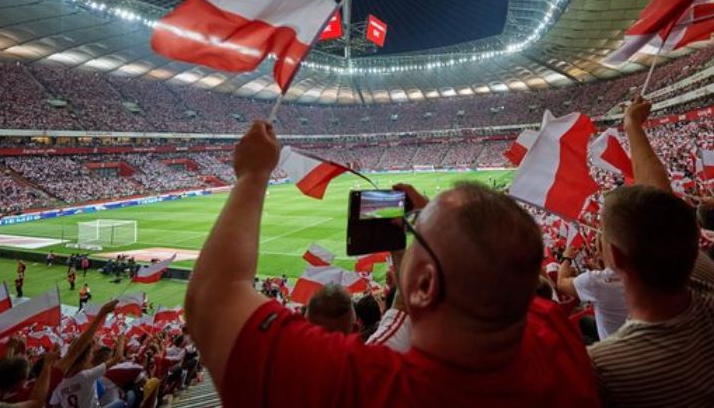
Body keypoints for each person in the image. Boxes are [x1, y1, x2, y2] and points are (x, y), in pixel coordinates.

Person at [186, 121, 600, 406]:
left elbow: (212, 299)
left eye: (417, 234)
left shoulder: (370, 388)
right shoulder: (553, 335)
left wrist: (252, 175)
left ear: (425, 287)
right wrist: (437, 219)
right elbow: (496, 259)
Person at [586, 96, 714, 407]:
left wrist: (633, 126)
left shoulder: (605, 366)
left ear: (615, 257)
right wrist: (633, 128)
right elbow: (660, 205)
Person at [555, 233, 627, 342]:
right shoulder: (637, 271)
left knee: (581, 339)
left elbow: (561, 283)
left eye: (598, 250)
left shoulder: (593, 282)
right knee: (584, 321)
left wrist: (566, 258)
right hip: (634, 335)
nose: (596, 253)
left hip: (614, 346)